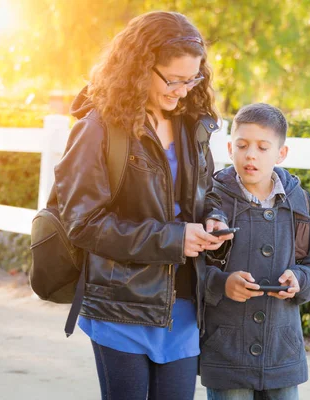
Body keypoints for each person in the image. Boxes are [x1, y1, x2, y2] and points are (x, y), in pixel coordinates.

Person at [52, 11, 232, 400]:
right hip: (120, 306)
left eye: (193, 79)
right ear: (139, 67)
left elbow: (207, 192)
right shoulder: (97, 128)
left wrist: (213, 220)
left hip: (183, 304)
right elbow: (82, 224)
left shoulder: (192, 124)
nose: (183, 90)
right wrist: (173, 239)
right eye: (174, 79)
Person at [200, 103, 310, 399]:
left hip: (281, 351)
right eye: (243, 146)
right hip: (227, 351)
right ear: (231, 148)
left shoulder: (301, 204)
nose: (251, 155)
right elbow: (187, 268)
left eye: (263, 147)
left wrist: (300, 279)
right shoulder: (211, 202)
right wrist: (222, 283)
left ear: (280, 153)